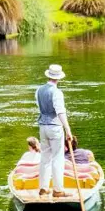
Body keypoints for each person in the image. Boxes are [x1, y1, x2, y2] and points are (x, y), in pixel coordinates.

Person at [35, 63, 76, 198]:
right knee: (58, 158)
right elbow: (60, 112)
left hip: (42, 126)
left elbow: (40, 108)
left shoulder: (39, 90)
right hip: (55, 127)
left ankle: (43, 188)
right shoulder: (57, 92)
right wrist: (68, 129)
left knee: (45, 157)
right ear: (59, 78)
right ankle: (58, 190)